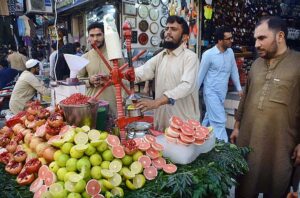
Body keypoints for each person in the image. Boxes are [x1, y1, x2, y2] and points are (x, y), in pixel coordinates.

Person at [230, 16, 300, 197]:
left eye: (262, 38)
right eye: (255, 39)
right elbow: (245, 98)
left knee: (277, 186)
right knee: (245, 185)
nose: (256, 44)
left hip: (280, 147)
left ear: (280, 36)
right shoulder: (256, 64)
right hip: (249, 141)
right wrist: (237, 126)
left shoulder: (297, 64)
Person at [130, 16, 200, 131]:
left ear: (185, 37)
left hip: (183, 125)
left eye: (173, 29)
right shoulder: (161, 56)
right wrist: (125, 75)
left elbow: (186, 86)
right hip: (161, 123)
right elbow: (142, 72)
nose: (168, 32)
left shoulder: (190, 57)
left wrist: (157, 102)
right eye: (167, 28)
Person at [198, 26, 243, 142]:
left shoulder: (230, 53)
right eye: (228, 39)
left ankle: (199, 139)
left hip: (222, 93)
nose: (231, 41)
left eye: (231, 38)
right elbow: (200, 76)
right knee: (219, 120)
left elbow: (234, 70)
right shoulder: (208, 55)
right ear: (220, 41)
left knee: (209, 118)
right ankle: (224, 147)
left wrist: (239, 88)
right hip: (210, 93)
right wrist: (192, 93)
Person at [78, 22, 125, 116]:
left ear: (104, 36)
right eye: (92, 35)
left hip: (113, 104)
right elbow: (78, 80)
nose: (95, 39)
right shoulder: (85, 57)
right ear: (88, 38)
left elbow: (125, 77)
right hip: (92, 105)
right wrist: (90, 81)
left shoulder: (116, 55)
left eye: (99, 35)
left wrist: (110, 80)